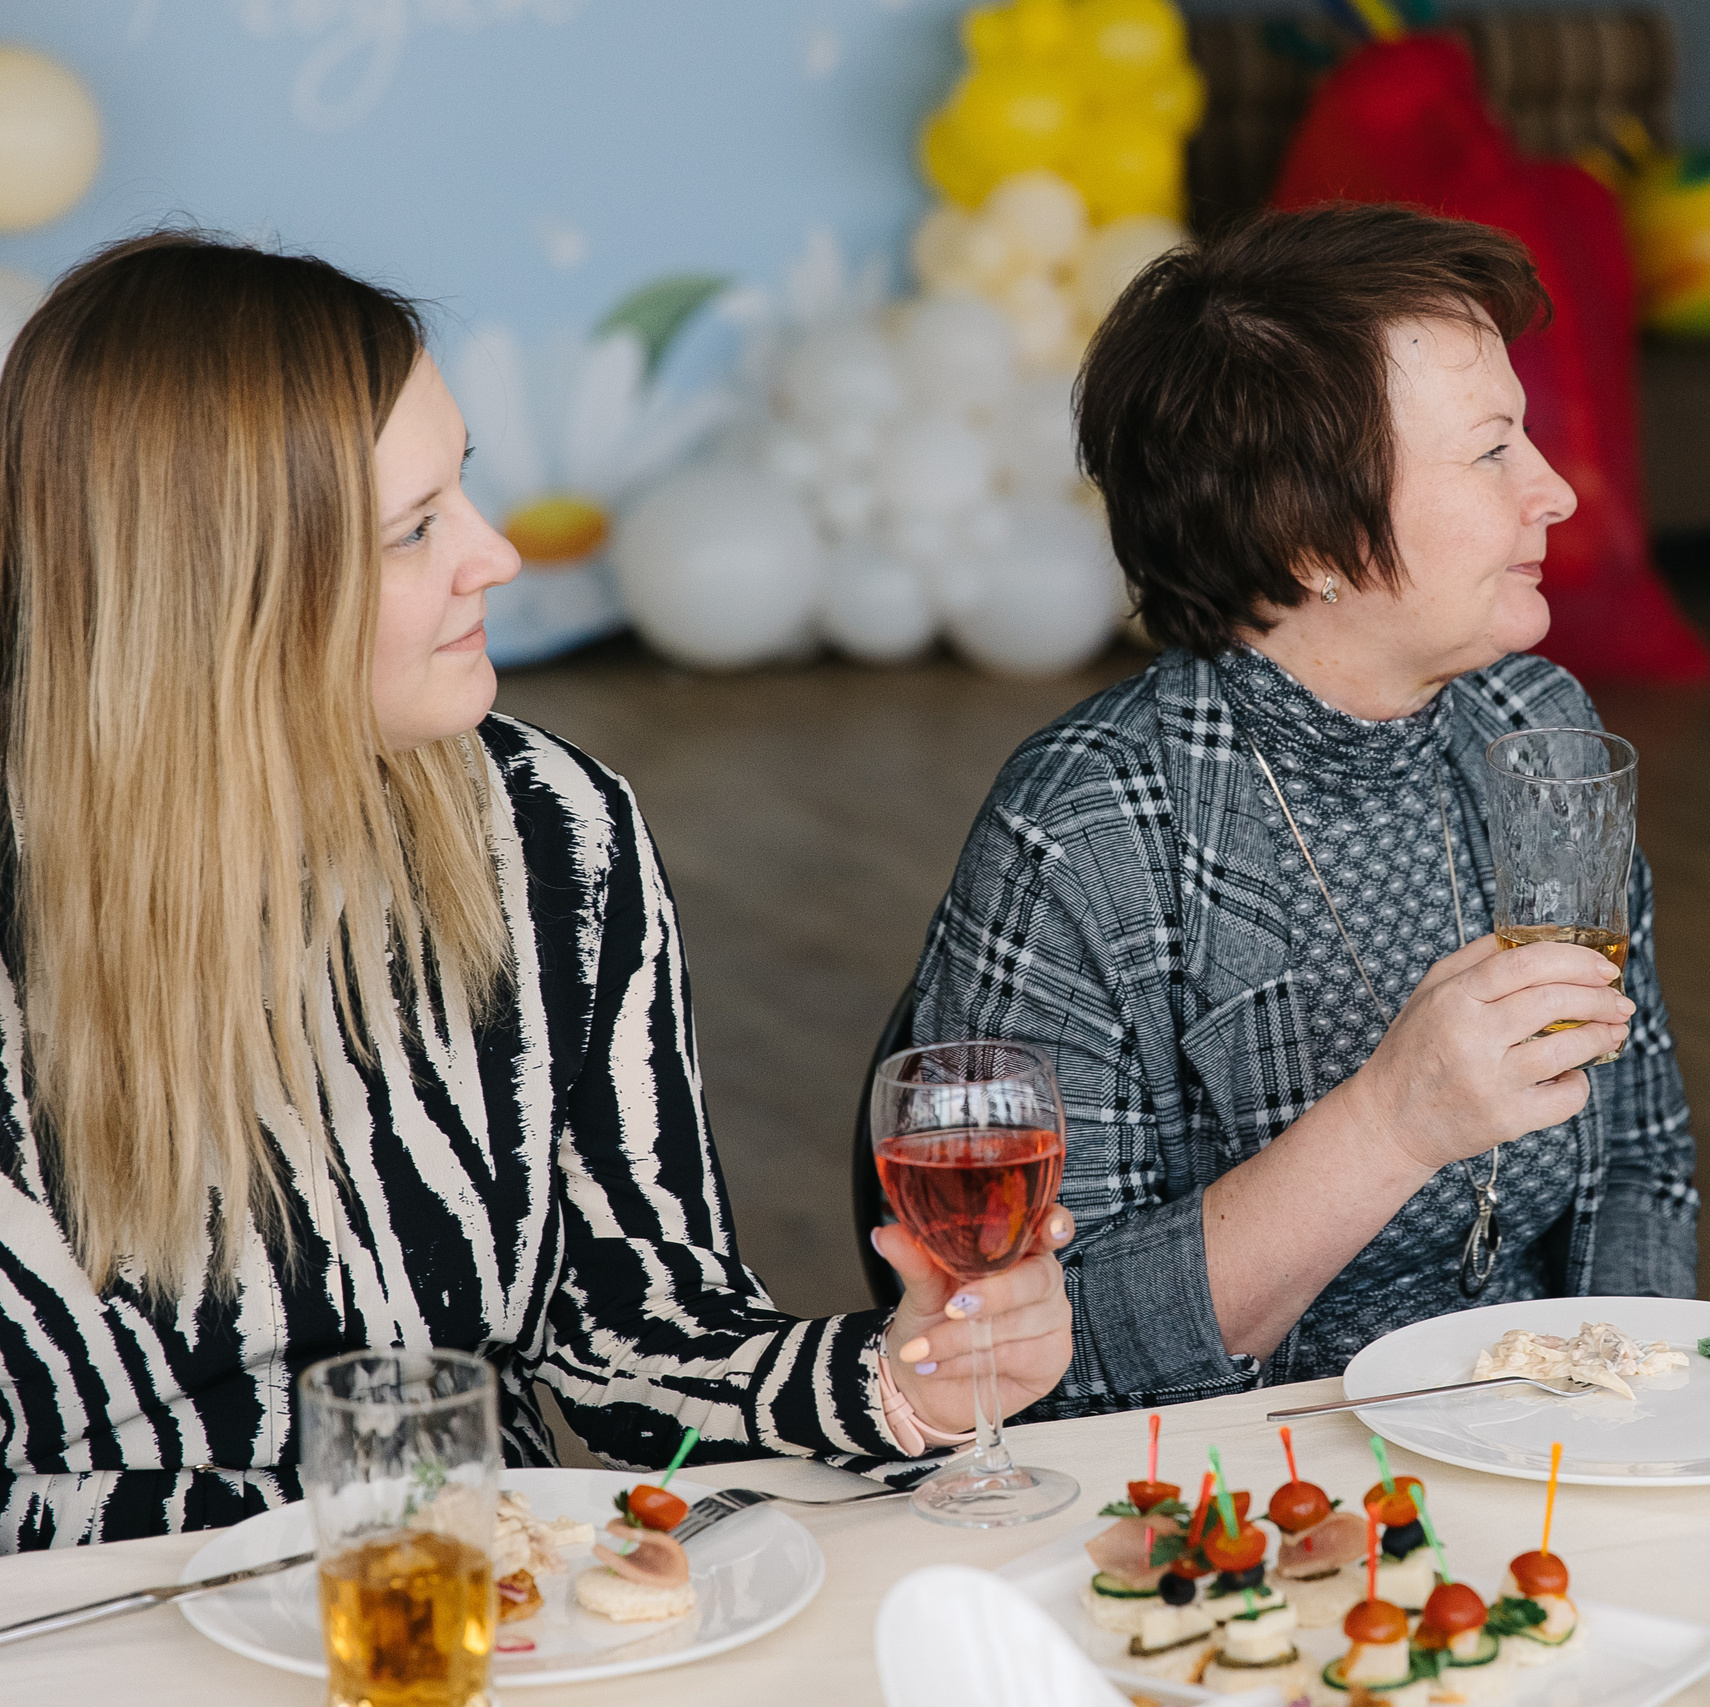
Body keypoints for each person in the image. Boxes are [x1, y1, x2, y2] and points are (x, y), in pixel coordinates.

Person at [0, 232, 1071, 1550]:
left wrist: (887, 1376)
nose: (498, 554)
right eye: (414, 530)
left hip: (470, 1623)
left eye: (465, 491)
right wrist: (297, 1542)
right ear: (223, 589)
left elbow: (635, 1338)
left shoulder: (548, 827)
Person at [910, 204, 1699, 1417]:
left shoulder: (1534, 729)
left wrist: (1614, 1412)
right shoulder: (1089, 833)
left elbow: (1638, 1162)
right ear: (1307, 536)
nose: (1551, 491)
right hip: (1234, 1500)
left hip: (1539, 1450)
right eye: (1491, 451)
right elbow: (1031, 1359)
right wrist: (1392, 1123)